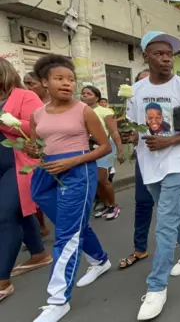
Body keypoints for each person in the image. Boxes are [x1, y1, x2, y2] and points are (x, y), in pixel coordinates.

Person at [125, 31, 180, 320]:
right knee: (169, 212)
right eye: (159, 53)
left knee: (165, 220)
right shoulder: (136, 91)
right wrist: (128, 134)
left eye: (169, 54)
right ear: (146, 56)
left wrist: (170, 141)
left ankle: (156, 287)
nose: (165, 58)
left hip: (177, 160)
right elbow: (133, 125)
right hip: (149, 162)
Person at [28, 54, 112, 322]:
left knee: (66, 235)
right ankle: (99, 260)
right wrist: (31, 149)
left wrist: (74, 160)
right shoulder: (37, 113)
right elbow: (36, 146)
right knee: (71, 224)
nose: (67, 84)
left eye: (71, 79)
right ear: (44, 82)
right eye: (59, 79)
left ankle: (58, 300)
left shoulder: (83, 111)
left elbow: (104, 146)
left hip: (77, 171)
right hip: (47, 172)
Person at [117, 69, 180, 271]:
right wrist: (129, 136)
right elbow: (132, 130)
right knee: (143, 201)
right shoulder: (134, 107)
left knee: (175, 204)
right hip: (146, 161)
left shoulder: (174, 100)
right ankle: (140, 247)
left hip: (173, 161)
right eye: (142, 83)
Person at [0, 59, 52, 302]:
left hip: (18, 161)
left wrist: (5, 120)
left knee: (6, 216)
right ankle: (39, 255)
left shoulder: (24, 96)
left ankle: (2, 280)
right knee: (20, 212)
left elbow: (39, 127)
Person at [81, 86, 125, 220]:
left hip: (104, 147)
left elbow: (114, 132)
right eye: (83, 93)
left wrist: (120, 151)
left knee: (103, 179)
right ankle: (105, 205)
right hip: (88, 148)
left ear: (97, 97)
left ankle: (113, 205)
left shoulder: (105, 112)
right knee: (96, 180)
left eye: (89, 93)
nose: (85, 96)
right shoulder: (79, 111)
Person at [23, 71, 50, 237]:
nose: (27, 87)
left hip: (58, 153)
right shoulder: (26, 104)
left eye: (31, 83)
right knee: (35, 191)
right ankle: (41, 226)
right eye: (25, 83)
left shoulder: (56, 103)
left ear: (44, 83)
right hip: (34, 154)